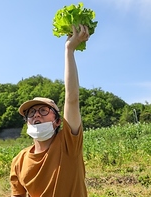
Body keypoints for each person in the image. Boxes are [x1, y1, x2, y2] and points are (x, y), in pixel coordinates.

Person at [10, 24, 90, 197]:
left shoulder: (69, 144)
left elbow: (72, 98)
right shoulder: (19, 160)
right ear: (27, 124)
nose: (36, 114)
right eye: (31, 113)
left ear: (58, 121)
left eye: (44, 111)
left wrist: (69, 50)